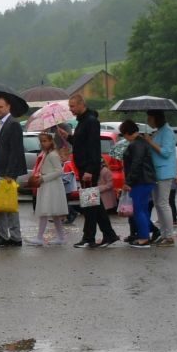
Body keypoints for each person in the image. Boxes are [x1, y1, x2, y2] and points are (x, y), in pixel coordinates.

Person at [68, 94, 120, 249]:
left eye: (72, 106)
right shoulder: (82, 121)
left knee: (90, 205)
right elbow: (80, 143)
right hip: (84, 168)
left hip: (89, 169)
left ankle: (89, 237)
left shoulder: (91, 121)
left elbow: (93, 147)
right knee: (93, 204)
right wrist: (69, 138)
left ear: (81, 104)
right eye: (69, 106)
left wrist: (90, 170)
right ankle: (108, 234)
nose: (70, 109)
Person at [0, 100, 27, 247]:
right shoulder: (2, 124)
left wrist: (10, 173)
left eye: (0, 107)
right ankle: (11, 237)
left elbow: (16, 150)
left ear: (8, 107)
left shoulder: (13, 124)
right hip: (2, 171)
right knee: (5, 203)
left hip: (8, 172)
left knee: (1, 203)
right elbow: (3, 147)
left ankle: (7, 236)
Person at [120, 121, 158, 247]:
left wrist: (128, 181)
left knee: (138, 210)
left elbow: (136, 163)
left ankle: (143, 238)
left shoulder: (136, 144)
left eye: (123, 134)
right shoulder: (142, 142)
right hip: (146, 180)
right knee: (144, 210)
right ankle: (146, 234)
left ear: (126, 133)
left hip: (140, 181)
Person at [146, 110, 177, 247]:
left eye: (149, 118)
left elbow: (166, 152)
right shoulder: (158, 132)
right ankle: (163, 234)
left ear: (156, 118)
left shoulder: (168, 132)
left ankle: (169, 236)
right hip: (156, 172)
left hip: (165, 172)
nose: (148, 121)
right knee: (158, 204)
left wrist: (150, 142)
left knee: (163, 203)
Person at [30, 131, 69, 245]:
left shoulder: (52, 155)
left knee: (45, 211)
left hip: (52, 186)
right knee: (53, 213)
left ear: (51, 141)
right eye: (41, 141)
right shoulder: (45, 154)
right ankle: (61, 237)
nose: (43, 143)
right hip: (47, 185)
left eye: (45, 141)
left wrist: (44, 178)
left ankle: (40, 237)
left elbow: (60, 171)